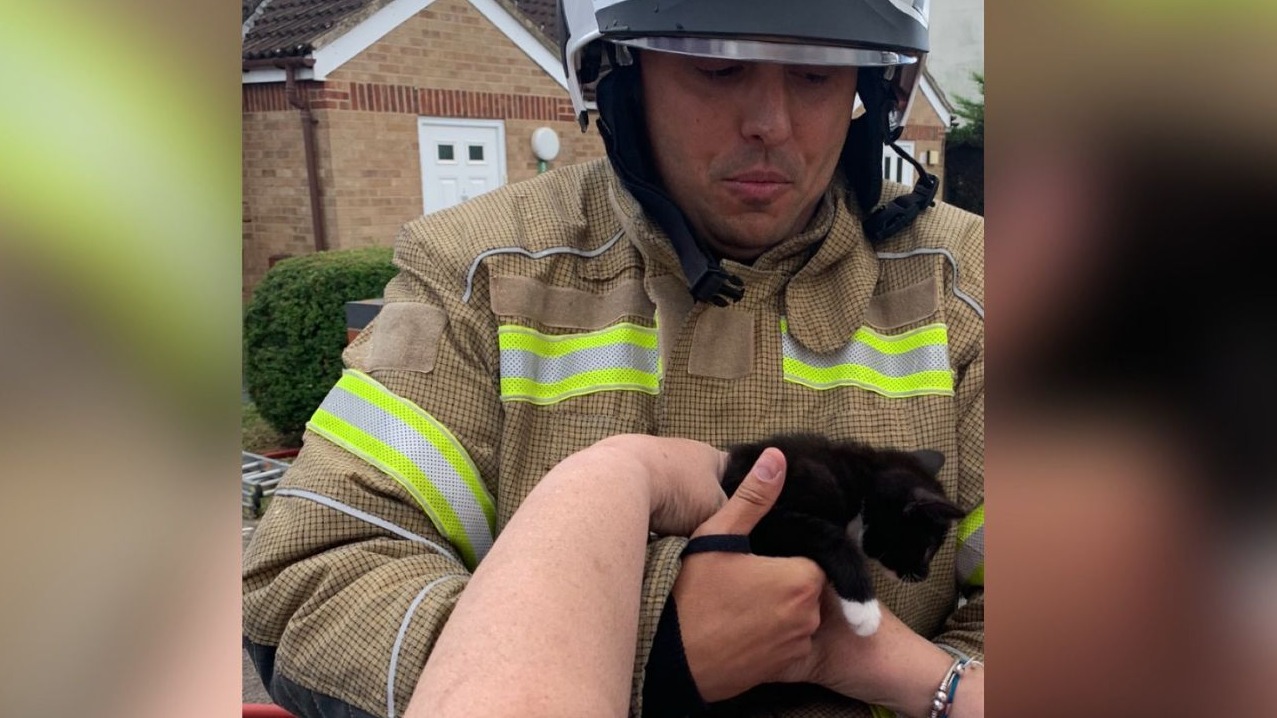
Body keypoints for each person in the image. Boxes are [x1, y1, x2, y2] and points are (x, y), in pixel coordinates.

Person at [242, 1, 985, 716]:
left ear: (871, 89)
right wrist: (650, 644)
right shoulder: (481, 273)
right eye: (716, 69)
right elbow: (314, 576)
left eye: (817, 74)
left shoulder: (978, 291)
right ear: (618, 74)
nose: (772, 123)